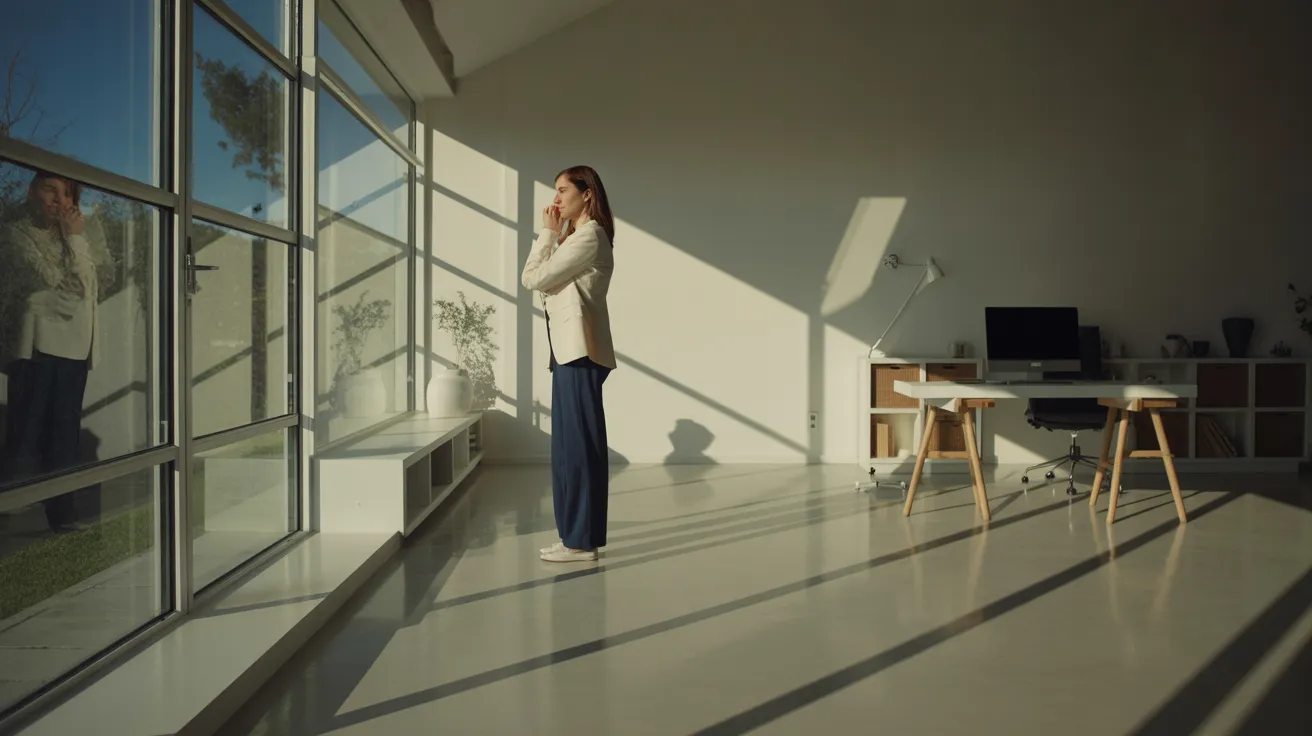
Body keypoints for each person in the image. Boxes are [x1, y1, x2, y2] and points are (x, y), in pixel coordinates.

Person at [1, 170, 114, 531]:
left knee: (65, 434)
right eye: (51, 190)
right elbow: (54, 281)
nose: (59, 201)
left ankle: (62, 517)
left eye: (68, 195)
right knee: (25, 431)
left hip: (77, 347)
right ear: (33, 190)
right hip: (37, 348)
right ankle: (7, 510)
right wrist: (77, 247)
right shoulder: (17, 232)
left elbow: (104, 276)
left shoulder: (83, 231)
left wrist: (77, 245)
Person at [521, 166, 616, 563]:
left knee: (577, 450)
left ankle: (580, 541)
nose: (556, 199)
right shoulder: (576, 239)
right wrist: (557, 238)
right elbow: (542, 282)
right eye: (555, 191)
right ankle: (575, 536)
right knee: (568, 449)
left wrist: (546, 235)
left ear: (586, 194)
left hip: (578, 354)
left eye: (562, 191)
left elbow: (532, 279)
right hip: (568, 353)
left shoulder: (589, 237)